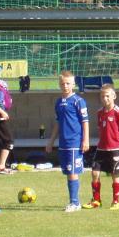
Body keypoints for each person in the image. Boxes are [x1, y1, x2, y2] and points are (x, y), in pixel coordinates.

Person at [46, 71, 90, 212]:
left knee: (72, 172)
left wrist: (86, 140)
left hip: (74, 142)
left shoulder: (78, 101)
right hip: (63, 143)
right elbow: (58, 123)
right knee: (68, 172)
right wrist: (51, 141)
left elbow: (85, 122)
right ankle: (74, 201)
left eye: (68, 83)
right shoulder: (59, 102)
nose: (65, 86)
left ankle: (75, 203)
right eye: (62, 84)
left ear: (73, 84)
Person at [84, 83, 119, 210]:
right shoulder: (99, 112)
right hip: (101, 148)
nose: (105, 98)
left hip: (115, 149)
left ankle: (116, 202)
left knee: (115, 175)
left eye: (108, 96)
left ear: (114, 96)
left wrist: (115, 139)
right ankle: (96, 200)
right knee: (94, 173)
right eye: (103, 96)